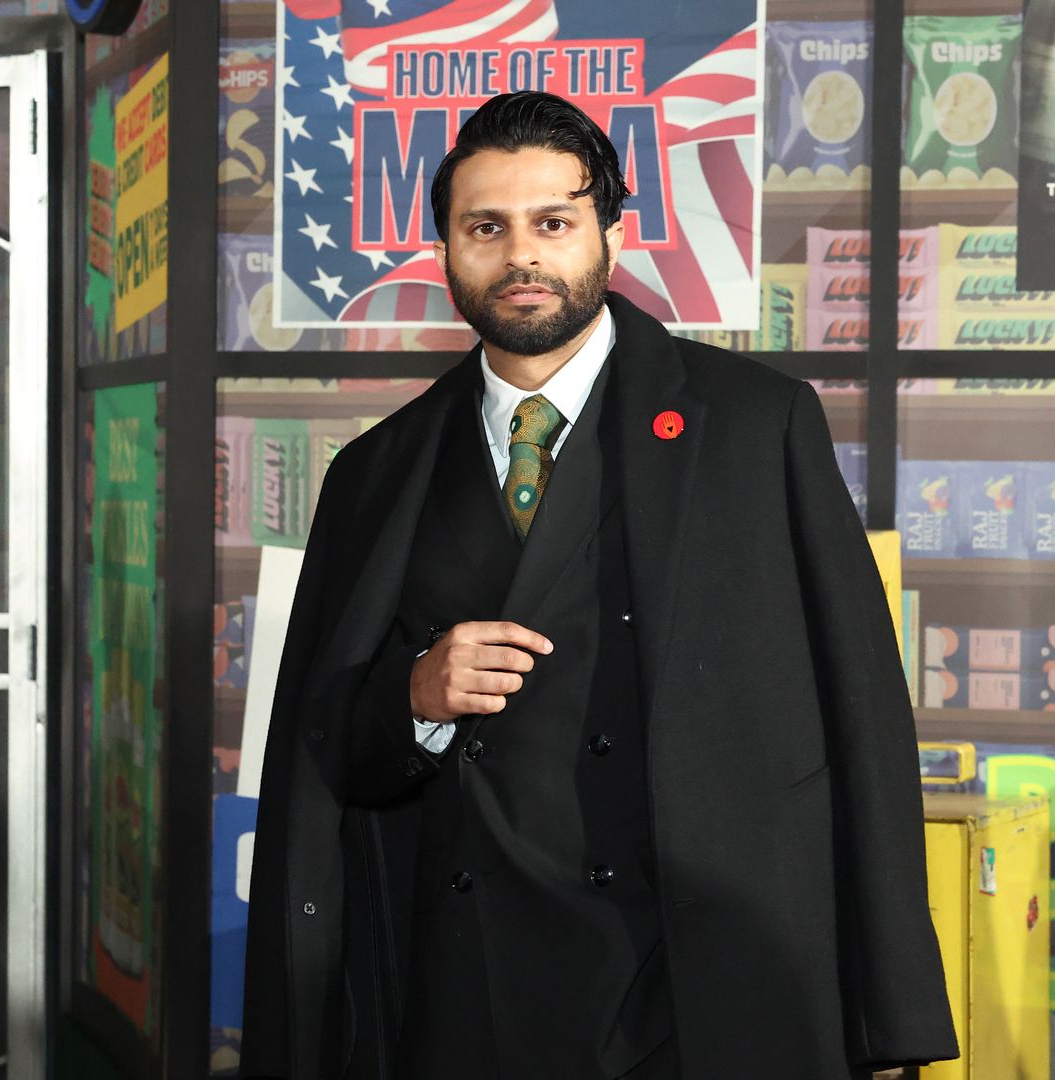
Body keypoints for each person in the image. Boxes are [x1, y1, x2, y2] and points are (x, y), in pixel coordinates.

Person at [241, 91, 956, 1080]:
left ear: (610, 239)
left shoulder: (755, 426)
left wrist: (896, 1012)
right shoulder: (377, 472)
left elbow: (863, 715)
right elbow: (325, 759)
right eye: (485, 227)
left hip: (700, 978)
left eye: (554, 223)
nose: (521, 256)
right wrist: (413, 697)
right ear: (443, 252)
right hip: (467, 994)